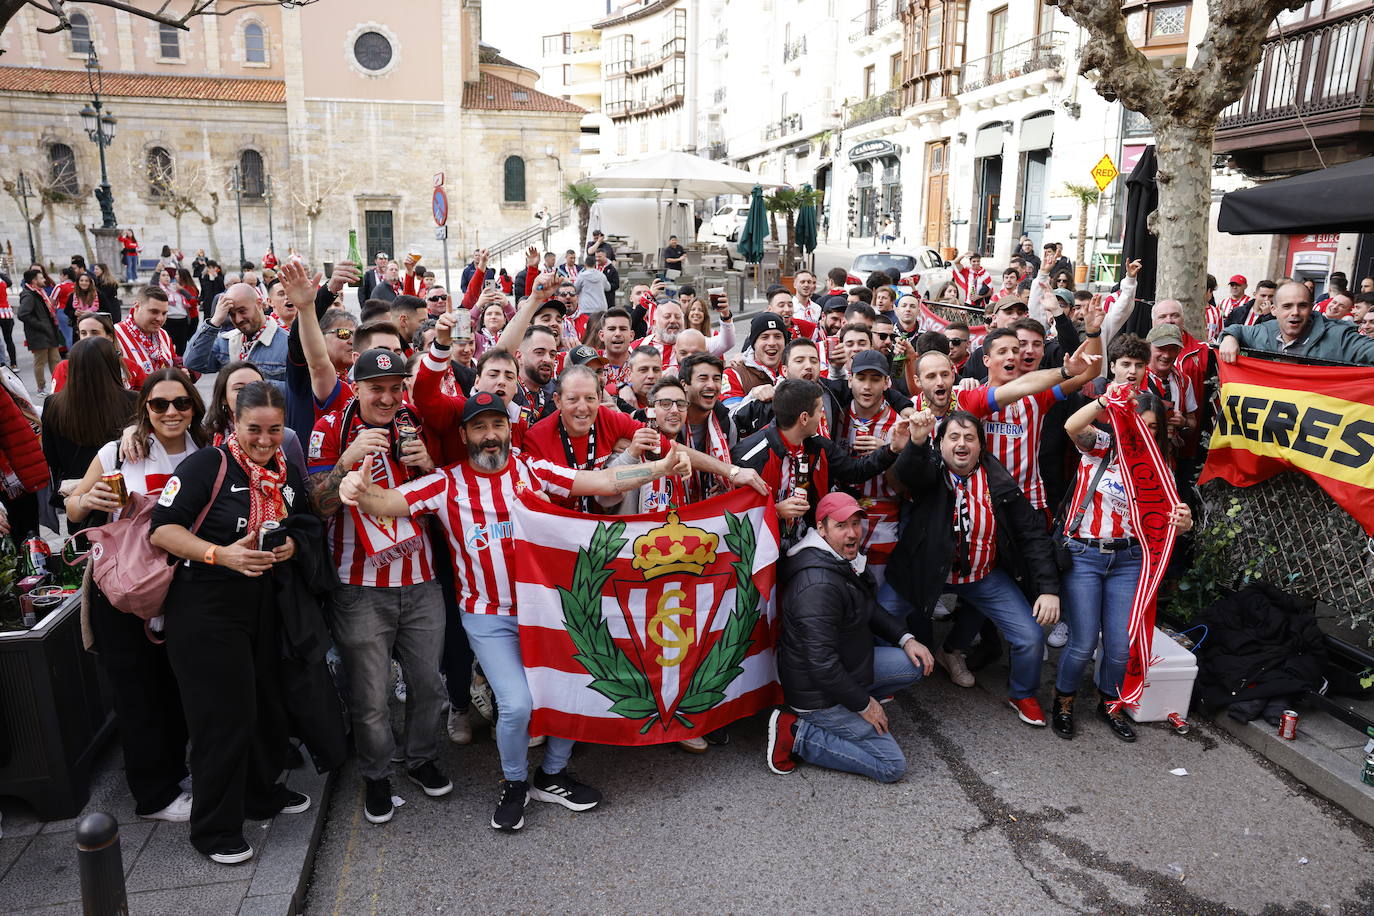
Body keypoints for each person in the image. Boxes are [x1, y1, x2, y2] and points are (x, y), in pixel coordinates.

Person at [338, 390, 689, 831]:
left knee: (575, 687)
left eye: (497, 425)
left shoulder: (530, 469)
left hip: (543, 608)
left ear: (509, 429)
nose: (490, 436)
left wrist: (658, 468)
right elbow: (388, 504)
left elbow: (599, 483)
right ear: (464, 434)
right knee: (518, 706)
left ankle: (553, 774)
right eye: (480, 427)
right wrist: (358, 490)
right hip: (488, 616)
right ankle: (515, 782)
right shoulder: (445, 483)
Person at [150, 381, 316, 864]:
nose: (265, 440)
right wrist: (217, 554)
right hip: (205, 609)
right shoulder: (208, 464)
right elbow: (162, 528)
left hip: (260, 605)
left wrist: (291, 546)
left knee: (264, 708)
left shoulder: (281, 470)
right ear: (234, 424)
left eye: (274, 429)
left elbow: (299, 521)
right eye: (254, 430)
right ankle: (214, 829)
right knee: (223, 720)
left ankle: (258, 794)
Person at [308, 348, 451, 825]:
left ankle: (421, 758)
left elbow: (443, 495)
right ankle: (375, 774)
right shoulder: (330, 426)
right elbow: (316, 505)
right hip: (358, 586)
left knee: (428, 685)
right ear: (356, 385)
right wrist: (346, 462)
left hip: (422, 579)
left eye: (395, 387)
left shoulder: (415, 421)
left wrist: (429, 464)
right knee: (371, 696)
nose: (388, 397)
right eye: (377, 388)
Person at [65, 370, 209, 826]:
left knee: (174, 685)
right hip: (123, 593)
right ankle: (153, 795)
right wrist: (93, 498)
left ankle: (175, 774)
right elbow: (71, 507)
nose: (171, 412)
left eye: (181, 404)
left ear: (194, 408)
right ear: (144, 408)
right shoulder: (117, 453)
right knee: (135, 692)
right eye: (159, 404)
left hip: (181, 589)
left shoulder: (204, 453)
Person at [886, 410, 1059, 726]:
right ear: (941, 445)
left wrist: (1048, 589)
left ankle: (1022, 693)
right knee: (881, 616)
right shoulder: (930, 470)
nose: (962, 444)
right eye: (953, 437)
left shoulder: (999, 480)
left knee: (1031, 636)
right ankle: (877, 682)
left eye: (969, 438)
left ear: (982, 446)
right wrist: (917, 441)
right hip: (922, 576)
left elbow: (1032, 535)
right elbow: (909, 472)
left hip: (981, 575)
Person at [1052, 385, 1193, 741]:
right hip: (1085, 554)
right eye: (1138, 423)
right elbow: (1071, 426)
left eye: (1152, 427)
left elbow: (1170, 518)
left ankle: (1110, 703)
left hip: (1129, 560)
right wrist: (1104, 402)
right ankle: (1064, 701)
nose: (1144, 431)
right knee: (1083, 643)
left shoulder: (1161, 470)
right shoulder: (1102, 446)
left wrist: (1185, 523)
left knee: (1119, 644)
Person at [767, 490, 934, 781]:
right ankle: (796, 734)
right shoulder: (817, 584)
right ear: (821, 528)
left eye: (856, 523)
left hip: (841, 667)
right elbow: (821, 664)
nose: (852, 533)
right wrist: (863, 704)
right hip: (816, 693)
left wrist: (906, 638)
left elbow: (868, 608)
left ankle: (851, 705)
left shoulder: (837, 558)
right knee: (891, 766)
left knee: (913, 664)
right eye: (841, 525)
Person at [42, 337, 138, 530]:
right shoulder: (133, 401)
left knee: (84, 553)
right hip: (122, 496)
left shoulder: (53, 404)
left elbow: (51, 458)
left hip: (77, 497)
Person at [1220, 280, 1374, 365]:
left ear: (1312, 308)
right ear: (1274, 310)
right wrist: (1228, 339)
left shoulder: (1339, 337)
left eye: (1302, 305)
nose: (1295, 312)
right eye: (1287, 306)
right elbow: (1236, 329)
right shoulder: (1264, 331)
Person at [201, 361, 308, 479]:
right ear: (223, 398)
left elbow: (302, 486)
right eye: (239, 388)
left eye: (256, 386)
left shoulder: (287, 438)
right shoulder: (206, 437)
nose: (249, 394)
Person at [185, 282, 290, 387]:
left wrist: (255, 387)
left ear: (259, 304)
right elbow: (192, 363)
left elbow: (300, 393)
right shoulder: (227, 342)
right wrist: (214, 322)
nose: (238, 319)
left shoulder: (288, 344)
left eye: (242, 311)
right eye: (231, 314)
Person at [18, 267, 62, 391]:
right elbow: (23, 314)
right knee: (40, 362)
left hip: (49, 332)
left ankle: (58, 385)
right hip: (39, 334)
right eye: (41, 278)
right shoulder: (29, 295)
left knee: (55, 360)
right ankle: (41, 388)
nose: (44, 280)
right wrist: (41, 325)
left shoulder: (40, 292)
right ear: (34, 281)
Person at [574, 254, 611, 319]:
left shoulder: (582, 276)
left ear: (585, 264)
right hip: (601, 307)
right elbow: (608, 288)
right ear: (595, 264)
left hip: (586, 307)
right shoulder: (601, 275)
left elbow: (575, 289)